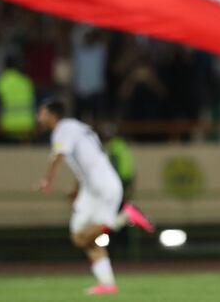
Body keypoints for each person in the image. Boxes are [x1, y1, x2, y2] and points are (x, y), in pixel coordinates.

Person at [36, 99, 154, 296]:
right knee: (81, 237)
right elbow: (84, 160)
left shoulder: (63, 130)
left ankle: (124, 216)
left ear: (52, 114)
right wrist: (76, 189)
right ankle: (107, 284)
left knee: (85, 236)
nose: (39, 116)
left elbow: (58, 156)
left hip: (102, 186)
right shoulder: (78, 127)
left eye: (41, 112)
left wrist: (48, 180)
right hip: (91, 187)